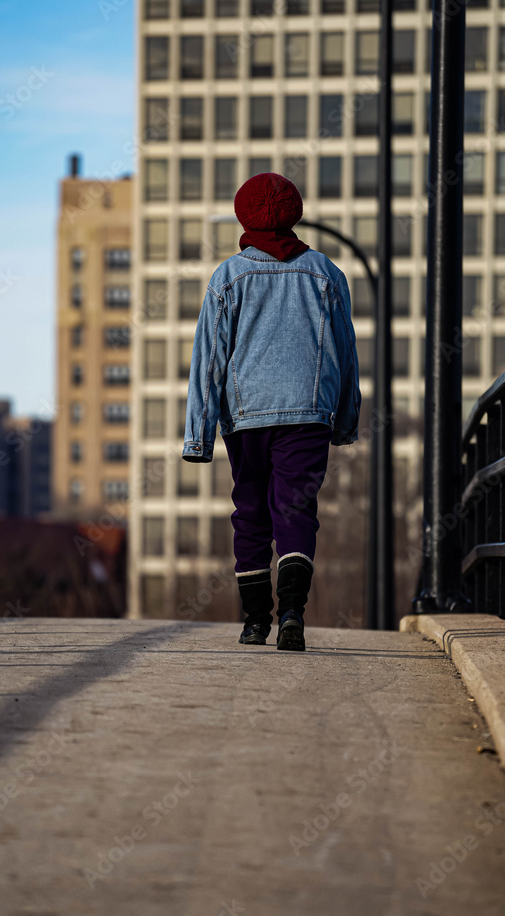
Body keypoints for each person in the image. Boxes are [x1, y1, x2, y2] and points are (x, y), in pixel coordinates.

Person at [182, 172, 361, 652]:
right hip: (308, 414)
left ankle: (255, 621)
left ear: (244, 216)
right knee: (296, 508)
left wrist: (197, 436)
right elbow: (346, 354)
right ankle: (294, 614)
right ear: (295, 214)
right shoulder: (326, 273)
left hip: (247, 417)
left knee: (251, 511)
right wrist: (344, 422)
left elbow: (208, 361)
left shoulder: (228, 278)